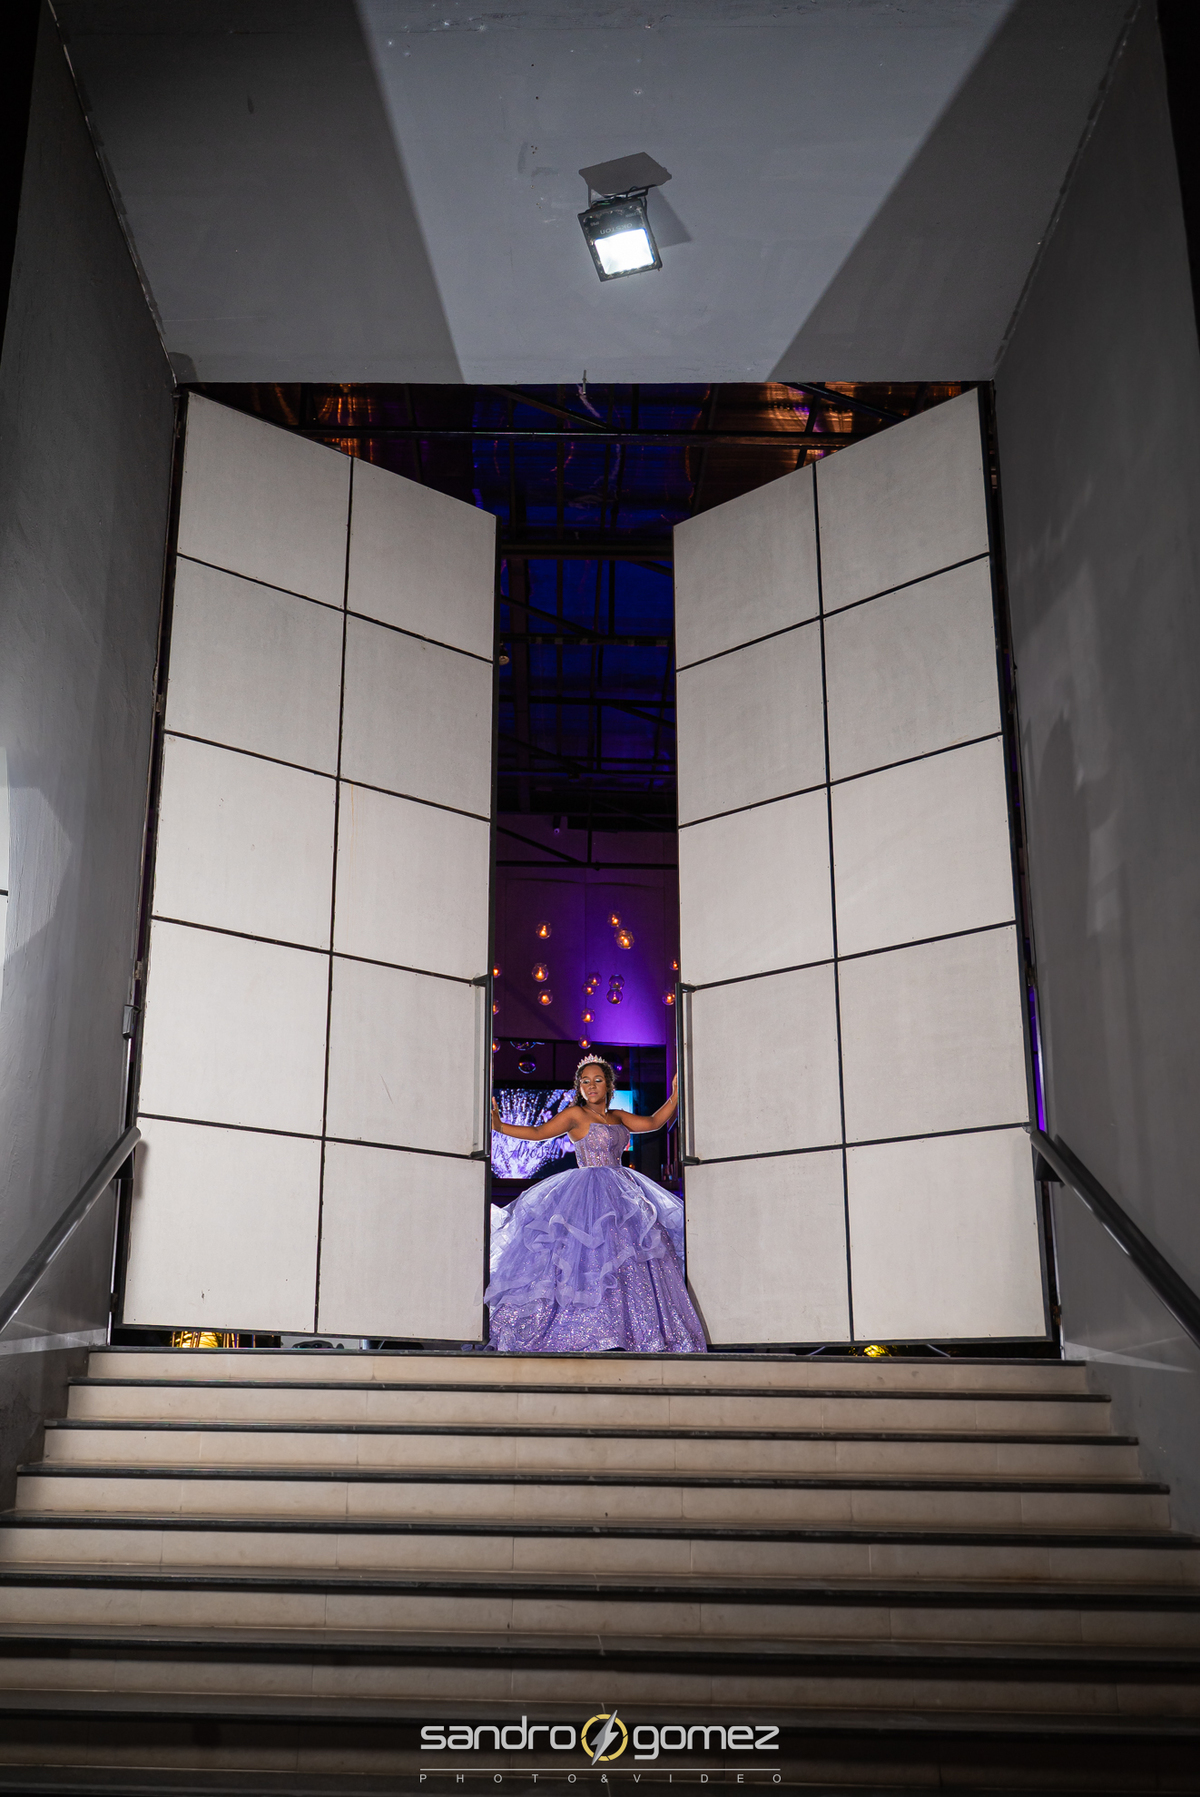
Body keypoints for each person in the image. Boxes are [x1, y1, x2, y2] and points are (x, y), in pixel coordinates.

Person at [486, 1055, 707, 1353]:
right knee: (589, 1257)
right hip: (586, 1193)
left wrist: (676, 1095)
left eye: (597, 1080)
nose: (591, 1086)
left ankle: (626, 1332)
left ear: (609, 1085)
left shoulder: (618, 1116)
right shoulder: (575, 1114)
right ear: (579, 1087)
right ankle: (588, 1330)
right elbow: (538, 1134)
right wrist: (499, 1126)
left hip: (623, 1191)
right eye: (585, 1081)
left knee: (628, 1258)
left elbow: (654, 1122)